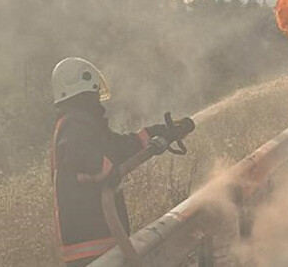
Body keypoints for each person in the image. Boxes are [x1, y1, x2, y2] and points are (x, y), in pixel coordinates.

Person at [50, 57, 194, 266]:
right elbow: (87, 158)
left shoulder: (85, 124)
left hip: (100, 240)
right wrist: (109, 172)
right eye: (94, 93)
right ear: (83, 90)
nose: (97, 99)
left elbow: (118, 148)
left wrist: (157, 133)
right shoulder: (73, 126)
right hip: (88, 245)